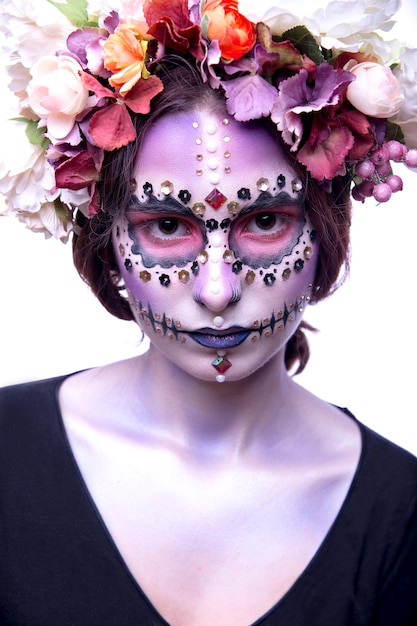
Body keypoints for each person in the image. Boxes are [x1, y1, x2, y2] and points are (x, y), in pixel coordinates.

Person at [0, 1, 416, 624]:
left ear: (326, 234)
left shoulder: (401, 511)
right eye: (168, 225)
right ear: (106, 243)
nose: (217, 291)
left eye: (265, 221)